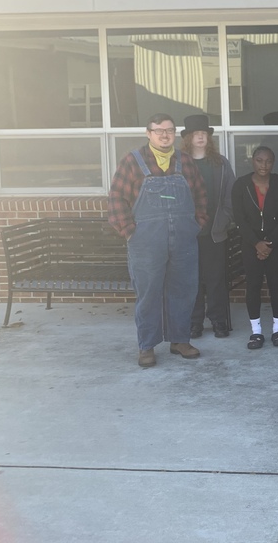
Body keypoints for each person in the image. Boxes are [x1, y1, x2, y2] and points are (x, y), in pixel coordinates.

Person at [109, 113, 208, 368]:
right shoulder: (132, 161)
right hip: (146, 240)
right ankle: (147, 346)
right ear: (148, 133)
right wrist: (129, 230)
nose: (165, 135)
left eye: (169, 130)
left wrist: (197, 224)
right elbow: (116, 198)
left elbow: (200, 195)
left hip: (183, 238)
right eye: (159, 130)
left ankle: (180, 340)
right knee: (148, 293)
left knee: (184, 289)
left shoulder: (185, 162)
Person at [232, 146, 278, 350]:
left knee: (277, 285)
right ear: (253, 161)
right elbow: (239, 218)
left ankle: (277, 329)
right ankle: (256, 332)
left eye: (268, 161)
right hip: (251, 244)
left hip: (275, 244)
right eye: (259, 160)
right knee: (253, 286)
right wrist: (256, 243)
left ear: (273, 162)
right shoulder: (241, 185)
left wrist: (270, 243)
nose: (263, 165)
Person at [181, 115, 235, 340]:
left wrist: (223, 220)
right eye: (196, 133)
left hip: (214, 232)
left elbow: (231, 195)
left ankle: (218, 321)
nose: (201, 136)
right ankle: (195, 323)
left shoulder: (220, 163)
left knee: (215, 279)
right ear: (189, 138)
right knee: (191, 280)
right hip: (188, 233)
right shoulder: (180, 163)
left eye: (204, 133)